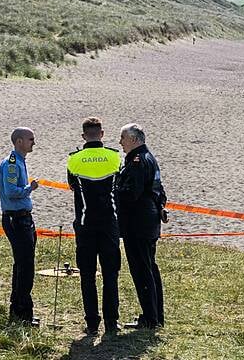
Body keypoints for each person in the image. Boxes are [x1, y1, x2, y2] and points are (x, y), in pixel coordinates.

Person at [67, 117, 122, 335]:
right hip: (109, 223)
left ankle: (91, 321)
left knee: (87, 275)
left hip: (85, 223)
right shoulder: (114, 157)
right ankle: (111, 320)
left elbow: (73, 186)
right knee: (111, 274)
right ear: (102, 134)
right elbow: (118, 184)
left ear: (83, 136)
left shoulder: (74, 159)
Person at [116, 123, 168, 329]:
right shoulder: (149, 158)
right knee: (149, 269)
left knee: (142, 270)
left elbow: (131, 193)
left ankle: (150, 318)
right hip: (148, 222)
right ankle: (155, 316)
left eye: (123, 138)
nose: (120, 142)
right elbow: (159, 190)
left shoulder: (137, 161)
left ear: (134, 139)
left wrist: (115, 193)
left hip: (138, 224)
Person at [0, 127, 40, 327]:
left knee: (23, 265)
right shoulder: (12, 164)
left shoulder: (19, 162)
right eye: (31, 139)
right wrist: (29, 188)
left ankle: (18, 310)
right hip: (17, 219)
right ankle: (22, 313)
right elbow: (12, 191)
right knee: (25, 267)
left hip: (22, 219)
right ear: (20, 141)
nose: (34, 142)